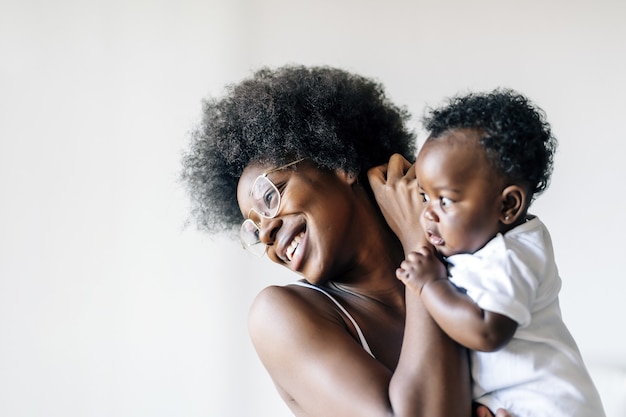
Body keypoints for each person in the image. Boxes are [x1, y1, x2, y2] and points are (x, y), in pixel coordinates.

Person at [181, 65, 512, 416]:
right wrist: (417, 241)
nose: (265, 233)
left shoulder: (471, 260)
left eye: (270, 196)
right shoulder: (279, 316)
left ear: (339, 162)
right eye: (253, 230)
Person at [369, 89, 605, 416]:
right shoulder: (491, 243)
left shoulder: (510, 256)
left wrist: (430, 286)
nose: (428, 214)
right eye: (425, 196)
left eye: (446, 200)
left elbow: (486, 332)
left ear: (508, 205)